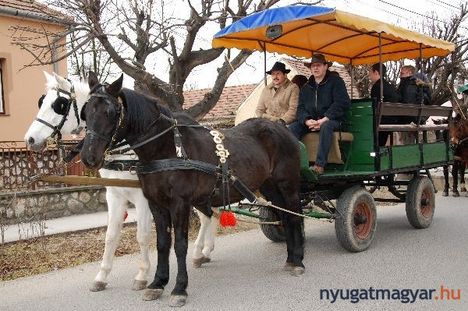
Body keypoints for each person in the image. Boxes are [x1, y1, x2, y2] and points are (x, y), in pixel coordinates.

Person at [289, 53, 351, 174]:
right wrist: (307, 120)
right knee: (292, 128)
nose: (315, 68)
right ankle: (293, 164)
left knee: (326, 126)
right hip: (312, 121)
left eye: (318, 65)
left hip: (334, 121)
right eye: (313, 66)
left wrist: (324, 119)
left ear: (325, 66)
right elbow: (300, 108)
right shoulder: (306, 88)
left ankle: (319, 165)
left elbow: (342, 103)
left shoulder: (336, 82)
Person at [368, 63, 400, 146]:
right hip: (393, 119)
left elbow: (374, 106)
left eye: (370, 72)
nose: (369, 75)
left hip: (383, 120)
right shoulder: (390, 86)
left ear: (376, 72)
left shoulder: (377, 87)